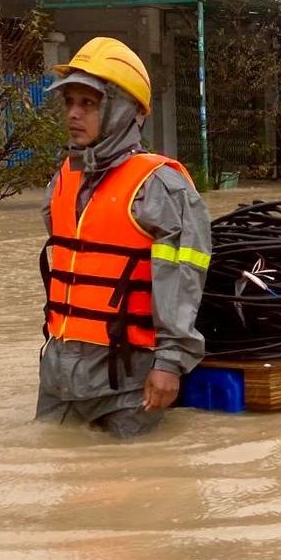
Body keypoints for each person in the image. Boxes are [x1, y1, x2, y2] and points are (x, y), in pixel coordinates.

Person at [37, 36, 211, 438]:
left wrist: (169, 363)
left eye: (89, 103)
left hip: (128, 379)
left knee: (138, 484)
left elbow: (183, 282)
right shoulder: (63, 179)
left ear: (122, 111)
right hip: (59, 373)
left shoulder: (160, 187)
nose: (74, 114)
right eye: (69, 103)